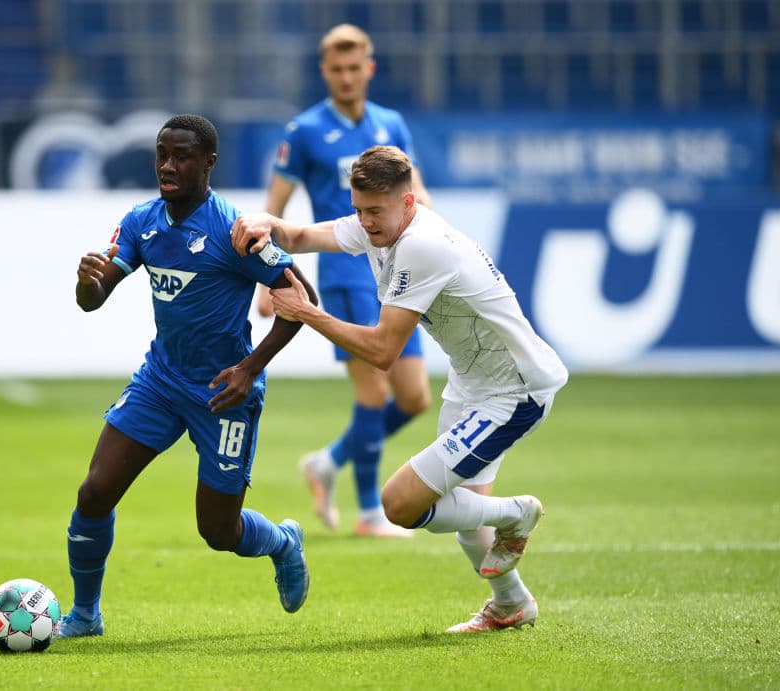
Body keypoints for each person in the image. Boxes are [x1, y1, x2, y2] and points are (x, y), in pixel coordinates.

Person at [232, 145, 569, 633]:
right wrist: (269, 222)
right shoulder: (381, 227)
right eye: (359, 209)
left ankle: (518, 515)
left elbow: (384, 350)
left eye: (375, 211)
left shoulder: (421, 246)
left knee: (401, 503)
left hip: (515, 390)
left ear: (408, 204)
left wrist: (307, 311)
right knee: (468, 522)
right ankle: (510, 605)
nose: (364, 221)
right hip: (472, 383)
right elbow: (304, 234)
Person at [58, 114, 315, 638]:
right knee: (94, 494)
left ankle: (284, 543)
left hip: (224, 392)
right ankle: (85, 616)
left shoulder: (235, 231)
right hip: (161, 381)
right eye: (161, 156)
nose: (168, 166)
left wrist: (249, 369)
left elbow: (301, 300)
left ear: (209, 163)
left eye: (181, 157)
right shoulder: (139, 221)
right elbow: (94, 300)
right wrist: (86, 283)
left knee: (217, 531)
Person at [258, 23, 434, 538]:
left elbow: (416, 192)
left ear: (369, 69)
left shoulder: (390, 124)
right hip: (344, 271)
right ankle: (368, 514)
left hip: (398, 272)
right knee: (373, 392)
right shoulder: (306, 131)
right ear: (324, 72)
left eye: (354, 68)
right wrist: (264, 279)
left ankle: (329, 462)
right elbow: (275, 207)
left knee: (415, 397)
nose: (346, 77)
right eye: (336, 69)